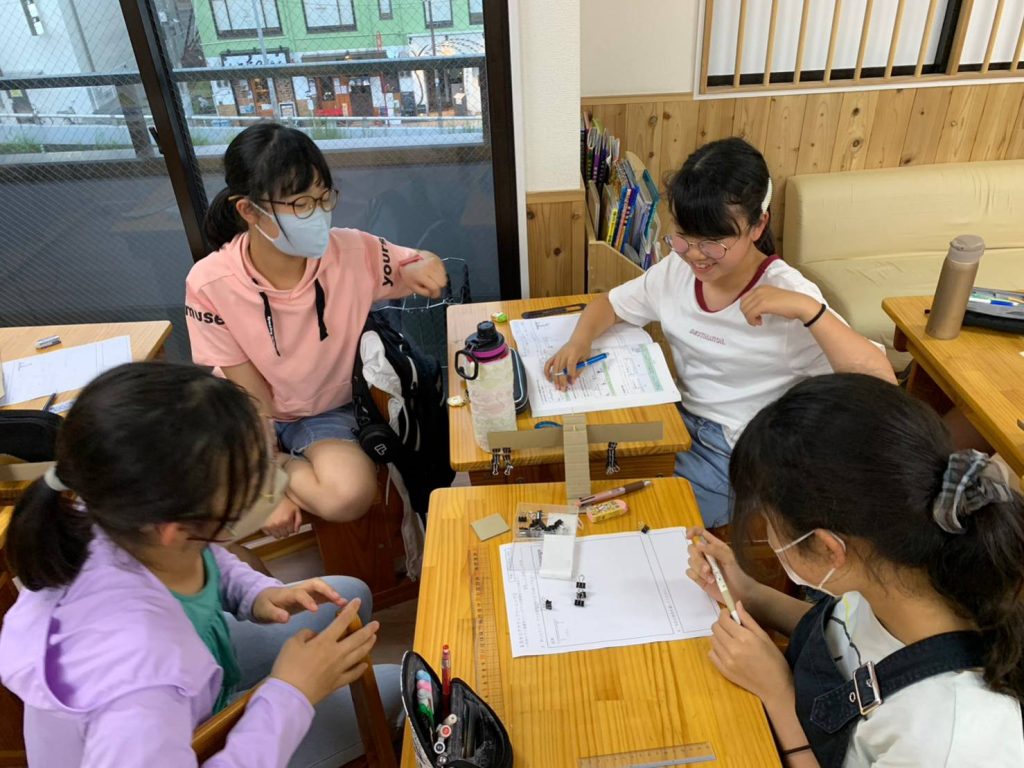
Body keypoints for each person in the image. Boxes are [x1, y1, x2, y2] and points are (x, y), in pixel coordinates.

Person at [0, 362, 404, 767]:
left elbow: (205, 555)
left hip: (189, 681)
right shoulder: (136, 691)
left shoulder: (125, 511)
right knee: (394, 688)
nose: (267, 488)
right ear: (175, 528)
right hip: (177, 727)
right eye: (248, 485)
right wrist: (291, 693)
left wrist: (257, 593)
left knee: (349, 596)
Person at [546, 138, 894, 527]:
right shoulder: (677, 270)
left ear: (758, 225)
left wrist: (809, 311)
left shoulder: (789, 294)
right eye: (683, 236)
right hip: (679, 422)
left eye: (713, 242)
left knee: (636, 519)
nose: (695, 254)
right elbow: (610, 304)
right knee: (579, 472)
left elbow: (880, 382)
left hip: (735, 454)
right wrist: (579, 341)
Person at [686, 373, 1024, 767]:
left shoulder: (953, 738)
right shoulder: (894, 573)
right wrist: (751, 594)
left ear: (829, 548)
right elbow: (842, 639)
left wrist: (778, 695)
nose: (771, 537)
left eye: (772, 523)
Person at [186, 122, 448, 537]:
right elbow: (249, 396)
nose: (319, 214)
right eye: (300, 203)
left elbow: (414, 261)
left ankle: (282, 465)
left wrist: (426, 263)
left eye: (324, 198)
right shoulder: (209, 283)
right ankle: (266, 469)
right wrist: (267, 484)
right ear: (249, 211)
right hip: (247, 412)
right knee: (183, 499)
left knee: (349, 495)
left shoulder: (352, 250)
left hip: (327, 411)